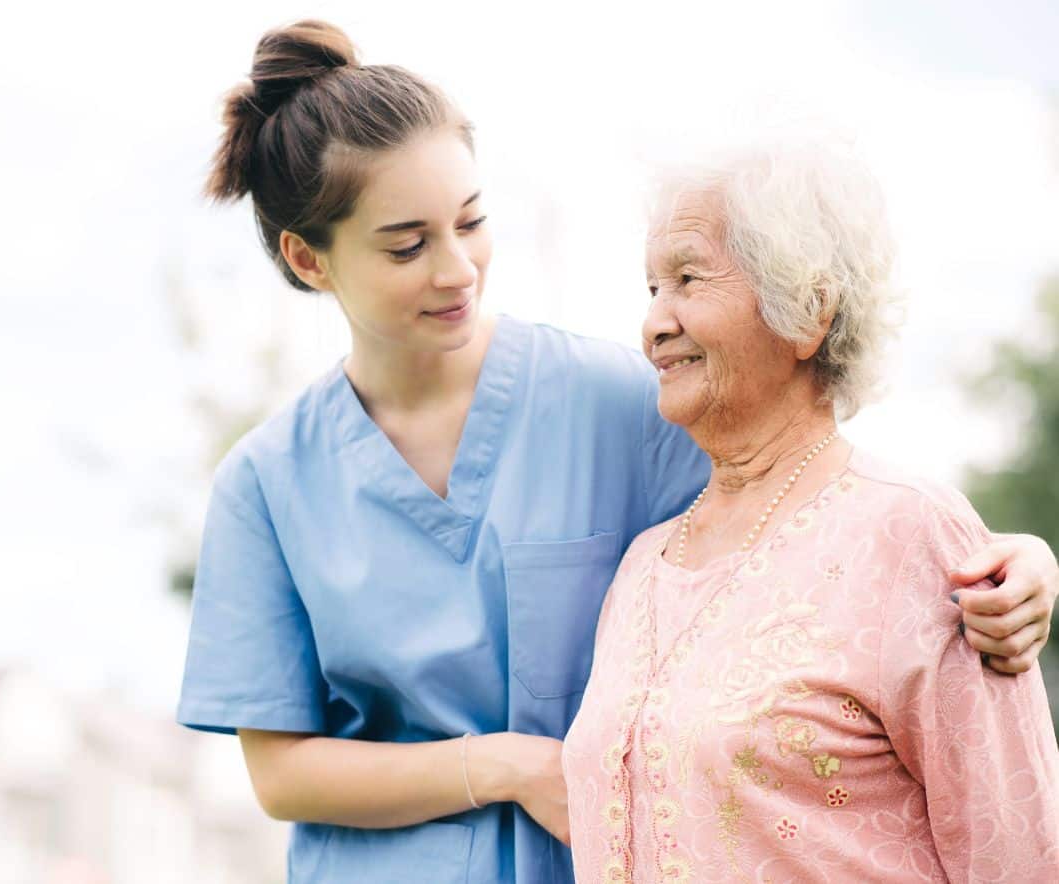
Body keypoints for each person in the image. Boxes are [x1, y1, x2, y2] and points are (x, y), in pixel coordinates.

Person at [177, 20, 1059, 883]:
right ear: (309, 259)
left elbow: (820, 518)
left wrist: (1015, 559)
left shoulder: (619, 405)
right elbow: (282, 772)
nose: (457, 269)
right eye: (407, 245)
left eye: (471, 222)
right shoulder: (266, 485)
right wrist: (511, 767)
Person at [562, 139, 1059, 882]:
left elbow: (1017, 855)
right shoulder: (643, 564)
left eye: (688, 279)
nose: (654, 324)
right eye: (651, 288)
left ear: (808, 309)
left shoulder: (918, 535)